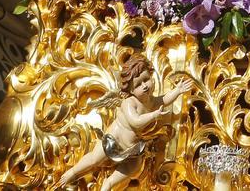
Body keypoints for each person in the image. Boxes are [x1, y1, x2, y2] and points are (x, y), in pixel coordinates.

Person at [56, 56, 190, 189]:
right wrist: (154, 115)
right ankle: (72, 172)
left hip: (132, 147)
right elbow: (135, 122)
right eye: (138, 84)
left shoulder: (151, 101)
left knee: (134, 166)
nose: (144, 86)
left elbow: (164, 99)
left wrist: (177, 91)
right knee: (94, 159)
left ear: (151, 76)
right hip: (114, 140)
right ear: (130, 90)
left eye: (146, 80)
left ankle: (108, 184)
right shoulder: (129, 103)